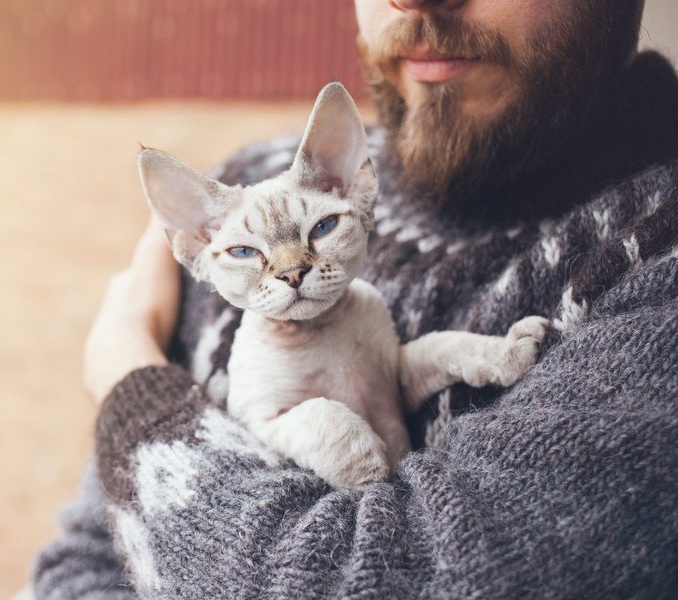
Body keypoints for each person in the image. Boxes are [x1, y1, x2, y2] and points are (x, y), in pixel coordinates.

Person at [33, 0, 678, 597]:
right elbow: (83, 564)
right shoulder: (256, 178)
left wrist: (129, 381)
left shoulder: (656, 266)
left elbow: (393, 578)